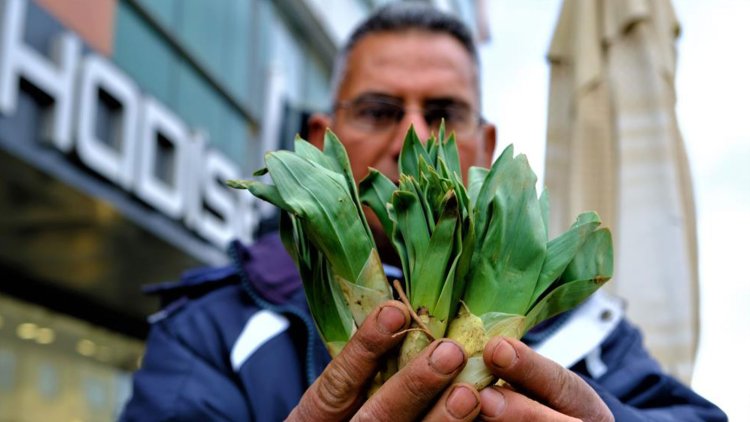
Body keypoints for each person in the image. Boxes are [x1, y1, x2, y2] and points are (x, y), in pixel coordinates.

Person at [121, 3, 726, 421]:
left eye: (442, 112)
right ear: (318, 141)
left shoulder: (592, 336)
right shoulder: (210, 327)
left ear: (486, 148)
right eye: (380, 110)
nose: (411, 139)